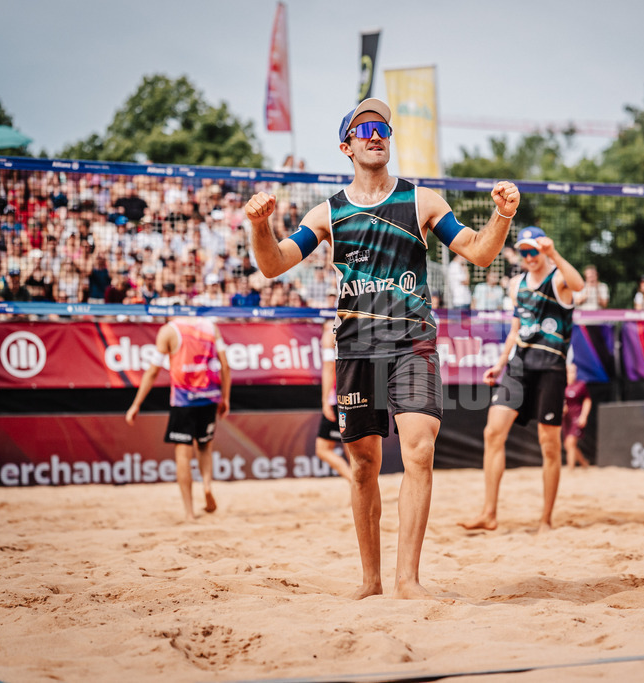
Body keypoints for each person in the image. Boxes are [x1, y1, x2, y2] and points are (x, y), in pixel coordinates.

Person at [244, 97, 520, 599]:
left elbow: (479, 251)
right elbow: (273, 264)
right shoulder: (329, 212)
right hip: (355, 351)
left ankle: (407, 579)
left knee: (419, 450)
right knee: (364, 466)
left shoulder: (422, 201)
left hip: (412, 343)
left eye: (383, 129)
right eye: (365, 128)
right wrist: (261, 226)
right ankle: (371, 581)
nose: (377, 134)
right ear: (346, 145)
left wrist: (501, 217)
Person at [459, 225, 584, 533]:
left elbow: (579, 285)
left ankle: (545, 519)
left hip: (550, 366)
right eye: (524, 252)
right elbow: (515, 329)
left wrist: (553, 253)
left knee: (549, 443)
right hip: (519, 366)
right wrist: (500, 364)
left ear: (542, 250)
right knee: (493, 433)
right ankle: (489, 513)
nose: (528, 257)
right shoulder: (516, 284)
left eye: (533, 251)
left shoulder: (558, 280)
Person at [125, 317, 231, 522]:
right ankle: (207, 486)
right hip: (209, 397)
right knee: (204, 447)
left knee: (183, 457)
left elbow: (153, 371)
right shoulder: (210, 326)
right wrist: (225, 397)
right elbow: (225, 366)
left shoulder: (168, 331)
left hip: (183, 401)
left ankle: (190, 513)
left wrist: (136, 404)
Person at [314, 321, 353, 483]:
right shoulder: (356, 328)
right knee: (352, 448)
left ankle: (355, 482)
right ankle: (359, 486)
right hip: (355, 395)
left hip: (338, 398)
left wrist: (325, 401)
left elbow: (329, 368)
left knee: (322, 449)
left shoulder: (330, 334)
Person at [562, 362, 591, 470]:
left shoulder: (580, 385)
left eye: (574, 371)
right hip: (566, 419)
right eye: (570, 371)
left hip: (576, 417)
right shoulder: (562, 385)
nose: (572, 374)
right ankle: (584, 463)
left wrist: (584, 416)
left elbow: (587, 401)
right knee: (568, 445)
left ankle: (570, 469)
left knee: (570, 443)